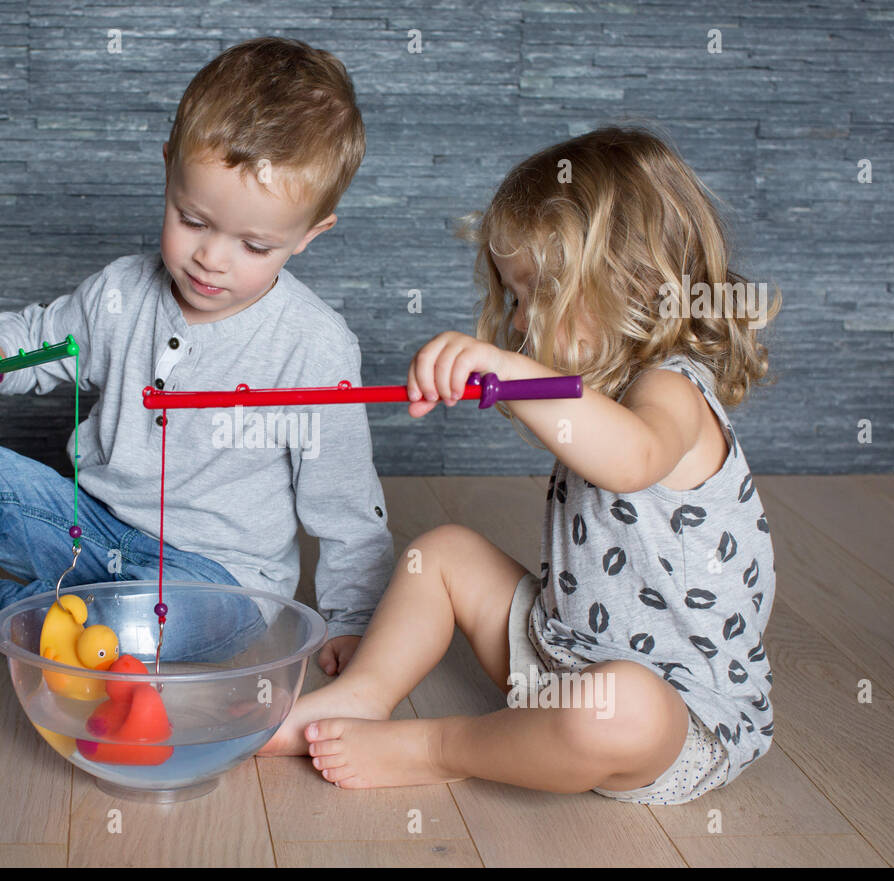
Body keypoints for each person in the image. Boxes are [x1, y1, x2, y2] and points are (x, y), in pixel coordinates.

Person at [0, 37, 394, 733]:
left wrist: (354, 621)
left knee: (109, 617)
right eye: (193, 220)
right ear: (168, 172)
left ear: (309, 235)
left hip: (217, 581)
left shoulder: (314, 345)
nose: (211, 258)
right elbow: (49, 338)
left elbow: (348, 507)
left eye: (254, 245)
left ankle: (46, 623)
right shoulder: (122, 292)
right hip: (96, 529)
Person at [263, 127, 779, 806]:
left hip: (671, 716)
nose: (520, 321)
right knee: (443, 553)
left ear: (638, 281)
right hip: (557, 656)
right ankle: (360, 697)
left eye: (542, 291)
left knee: (620, 705)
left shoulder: (673, 390)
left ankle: (438, 746)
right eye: (514, 296)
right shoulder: (604, 390)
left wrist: (511, 374)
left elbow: (631, 459)